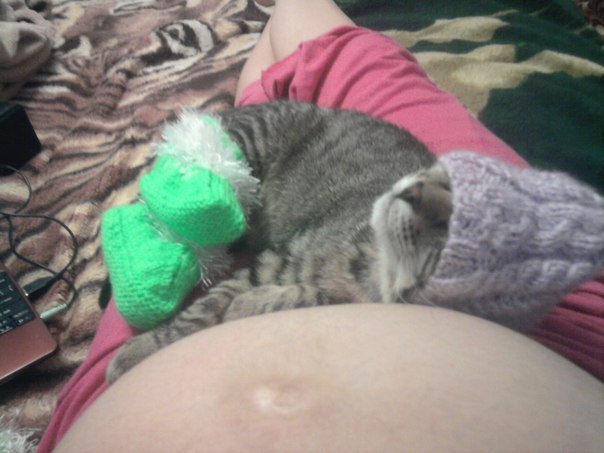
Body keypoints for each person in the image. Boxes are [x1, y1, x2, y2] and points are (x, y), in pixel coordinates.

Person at [41, 1, 604, 451]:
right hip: (426, 204)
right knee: (333, 57)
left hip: (517, 265)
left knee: (303, 71)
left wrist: (173, 335)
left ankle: (266, 78)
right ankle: (268, 73)